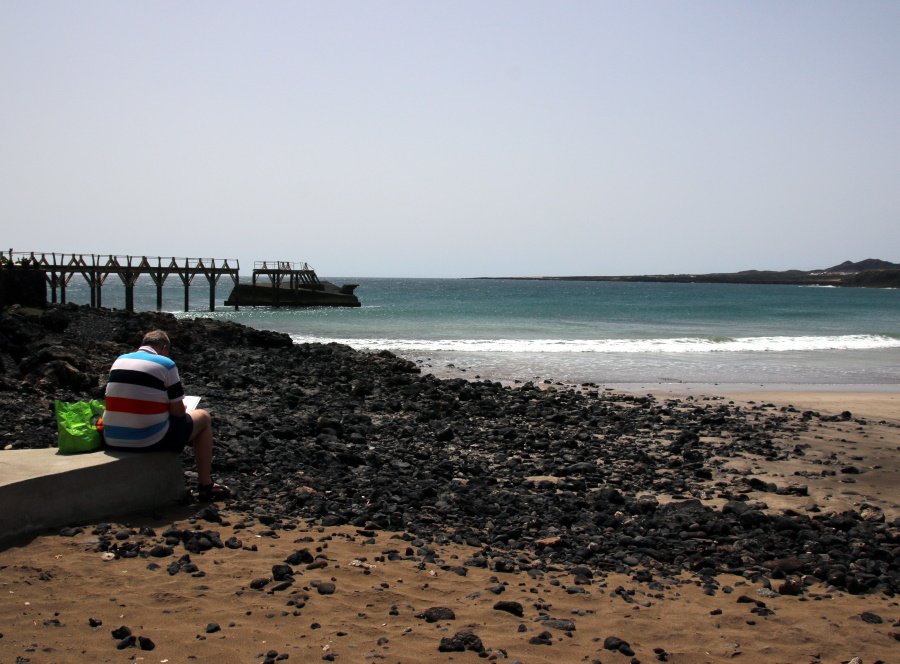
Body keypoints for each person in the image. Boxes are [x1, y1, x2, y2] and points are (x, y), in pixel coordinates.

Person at [103, 329, 230, 501]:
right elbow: (178, 412)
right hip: (147, 440)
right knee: (204, 417)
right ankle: (206, 485)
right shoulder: (166, 364)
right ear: (164, 348)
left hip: (112, 437)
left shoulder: (120, 360)